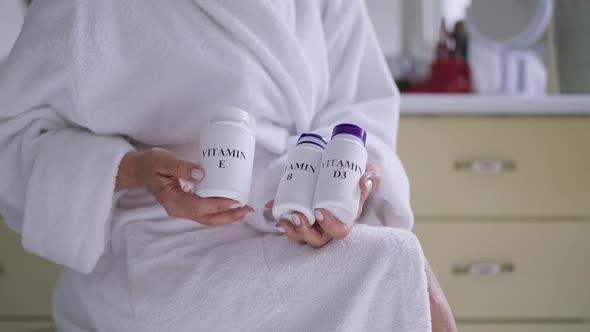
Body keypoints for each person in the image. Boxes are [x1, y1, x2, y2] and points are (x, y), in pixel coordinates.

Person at [0, 1, 456, 331]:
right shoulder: (84, 9)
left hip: (289, 216)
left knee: (402, 264)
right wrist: (134, 170)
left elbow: (357, 115)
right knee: (395, 265)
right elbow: (15, 142)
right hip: (158, 246)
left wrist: (349, 187)